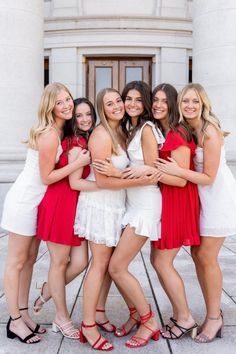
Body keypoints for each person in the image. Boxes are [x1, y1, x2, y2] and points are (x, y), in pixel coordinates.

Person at [1, 83, 89, 344]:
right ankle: (15, 321)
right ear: (49, 106)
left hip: (38, 202)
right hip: (24, 201)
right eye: (59, 101)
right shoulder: (50, 133)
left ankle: (25, 314)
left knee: (29, 260)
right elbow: (47, 176)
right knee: (16, 262)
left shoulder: (61, 130)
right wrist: (78, 163)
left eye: (68, 100)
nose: (67, 105)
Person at [75, 87, 157, 351]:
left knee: (109, 264)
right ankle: (87, 325)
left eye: (118, 101)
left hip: (117, 205)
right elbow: (101, 180)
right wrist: (137, 178)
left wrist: (128, 176)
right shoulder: (100, 135)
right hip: (100, 204)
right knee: (100, 265)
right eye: (109, 103)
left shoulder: (122, 131)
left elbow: (124, 172)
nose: (117, 106)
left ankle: (99, 312)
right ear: (102, 108)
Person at [157, 83, 236, 343]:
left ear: (203, 104)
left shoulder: (210, 131)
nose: (190, 106)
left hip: (216, 197)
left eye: (195, 102)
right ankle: (213, 312)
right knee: (197, 255)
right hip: (201, 198)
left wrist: (177, 171)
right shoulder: (190, 129)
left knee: (207, 256)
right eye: (185, 102)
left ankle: (214, 318)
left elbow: (209, 177)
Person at [95, 81, 164, 349]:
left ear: (145, 102)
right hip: (132, 204)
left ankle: (148, 319)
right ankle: (136, 313)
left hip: (145, 205)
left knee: (116, 267)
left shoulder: (146, 129)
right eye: (128, 98)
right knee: (115, 265)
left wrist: (115, 173)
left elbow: (152, 171)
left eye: (137, 99)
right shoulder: (130, 129)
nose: (131, 103)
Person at [35, 98, 95, 339]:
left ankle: (49, 290)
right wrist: (107, 184)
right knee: (59, 264)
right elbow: (71, 180)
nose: (84, 119)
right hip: (60, 205)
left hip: (75, 207)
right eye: (78, 116)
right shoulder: (74, 143)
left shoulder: (86, 139)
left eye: (88, 114)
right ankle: (61, 317)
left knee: (80, 262)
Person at [149, 83, 199, 340]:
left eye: (163, 101)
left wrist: (147, 174)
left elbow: (180, 179)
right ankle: (180, 314)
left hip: (177, 201)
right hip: (168, 200)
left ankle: (185, 318)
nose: (158, 104)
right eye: (155, 100)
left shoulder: (177, 133)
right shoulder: (164, 131)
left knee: (162, 261)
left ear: (173, 104)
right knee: (157, 261)